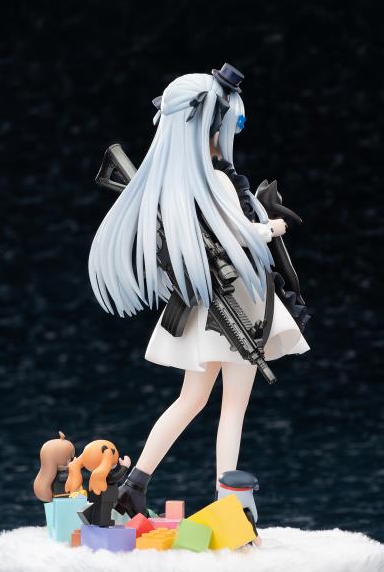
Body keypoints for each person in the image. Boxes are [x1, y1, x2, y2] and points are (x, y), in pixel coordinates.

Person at [89, 64, 309, 517]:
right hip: (238, 302)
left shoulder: (177, 184)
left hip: (209, 301)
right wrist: (272, 227)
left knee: (191, 400)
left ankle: (134, 484)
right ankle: (229, 506)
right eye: (232, 124)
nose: (232, 134)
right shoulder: (218, 180)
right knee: (232, 408)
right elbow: (239, 235)